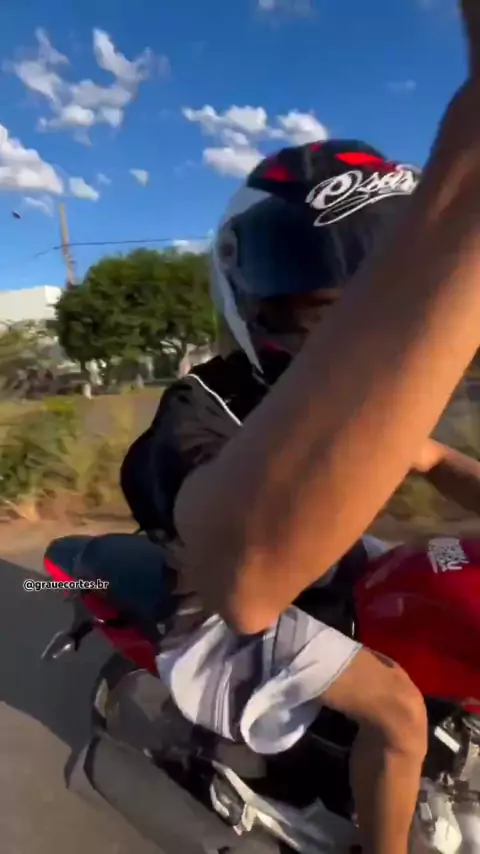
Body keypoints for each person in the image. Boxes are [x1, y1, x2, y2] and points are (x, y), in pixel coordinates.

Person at [122, 6, 480, 853]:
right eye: (322, 316)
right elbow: (237, 568)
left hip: (318, 575)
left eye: (365, 314)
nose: (347, 346)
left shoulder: (350, 412)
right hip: (213, 616)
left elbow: (428, 454)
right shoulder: (199, 408)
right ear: (258, 306)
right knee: (397, 711)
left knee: (433, 592)